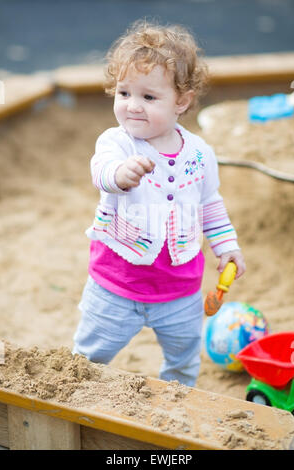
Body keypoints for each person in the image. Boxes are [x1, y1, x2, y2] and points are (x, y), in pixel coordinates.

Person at [72, 20, 246, 387]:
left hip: (180, 287)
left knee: (184, 361)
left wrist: (226, 245)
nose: (133, 107)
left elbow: (209, 202)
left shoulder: (199, 153)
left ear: (181, 101)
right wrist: (120, 175)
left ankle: (179, 397)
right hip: (116, 285)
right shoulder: (116, 144)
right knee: (89, 358)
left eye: (149, 98)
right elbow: (101, 171)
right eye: (124, 94)